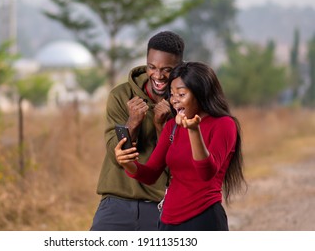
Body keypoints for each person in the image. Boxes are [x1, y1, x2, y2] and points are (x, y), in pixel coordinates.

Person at [115, 61, 247, 231]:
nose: (174, 100)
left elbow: (206, 173)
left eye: (181, 94)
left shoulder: (224, 125)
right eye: (171, 94)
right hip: (168, 221)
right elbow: (150, 174)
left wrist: (193, 130)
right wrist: (127, 162)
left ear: (201, 94)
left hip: (204, 218)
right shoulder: (172, 126)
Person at [90, 31, 185, 231]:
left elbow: (178, 165)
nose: (158, 76)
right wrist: (132, 123)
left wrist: (162, 126)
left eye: (167, 70)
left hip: (162, 204)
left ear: (179, 68)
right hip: (116, 201)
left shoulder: (185, 102)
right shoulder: (121, 95)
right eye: (152, 67)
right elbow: (117, 156)